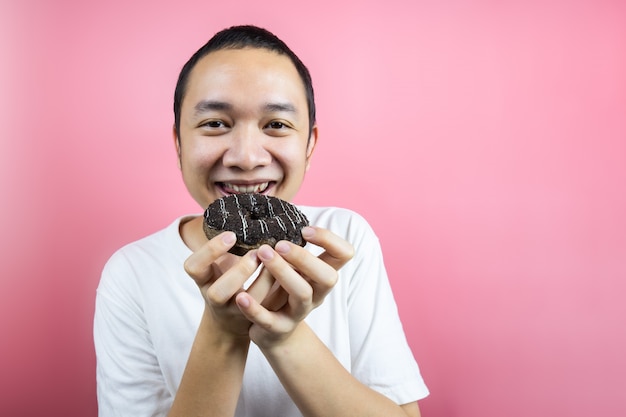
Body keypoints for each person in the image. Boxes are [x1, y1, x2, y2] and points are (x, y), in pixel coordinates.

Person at [94, 25, 429, 417]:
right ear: (178, 143)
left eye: (277, 124)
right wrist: (223, 332)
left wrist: (284, 337)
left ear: (309, 144)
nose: (246, 157)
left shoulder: (344, 240)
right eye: (215, 123)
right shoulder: (133, 272)